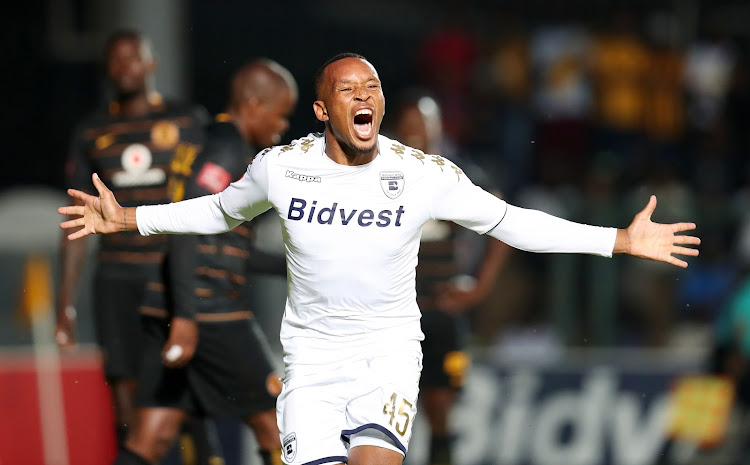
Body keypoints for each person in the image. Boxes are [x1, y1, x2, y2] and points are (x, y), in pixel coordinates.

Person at [59, 53, 701, 465]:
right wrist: (129, 218)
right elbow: (218, 211)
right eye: (348, 88)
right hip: (310, 363)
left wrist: (617, 239)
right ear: (322, 110)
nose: (364, 95)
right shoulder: (282, 170)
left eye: (372, 86)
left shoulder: (423, 175)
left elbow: (514, 223)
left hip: (386, 356)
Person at [112, 59, 298, 465]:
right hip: (209, 311)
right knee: (279, 426)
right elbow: (188, 223)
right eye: (280, 114)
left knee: (152, 435)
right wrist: (187, 317)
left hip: (167, 301)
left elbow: (233, 249)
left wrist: (306, 264)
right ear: (253, 103)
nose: (283, 126)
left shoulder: (202, 139)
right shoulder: (228, 148)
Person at [54, 29, 220, 463]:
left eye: (134, 58)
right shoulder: (92, 131)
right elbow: (74, 220)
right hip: (117, 280)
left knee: (182, 383)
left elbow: (213, 201)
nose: (125, 66)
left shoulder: (187, 120)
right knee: (124, 389)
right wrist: (64, 305)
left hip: (169, 274)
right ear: (107, 68)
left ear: (152, 63)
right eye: (116, 59)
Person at [388, 90, 510, 465]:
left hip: (442, 308)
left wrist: (480, 286)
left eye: (422, 125)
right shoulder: (379, 172)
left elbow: (503, 222)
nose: (415, 133)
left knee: (441, 408)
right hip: (392, 312)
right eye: (408, 125)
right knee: (388, 416)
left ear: (437, 128)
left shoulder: (455, 171)